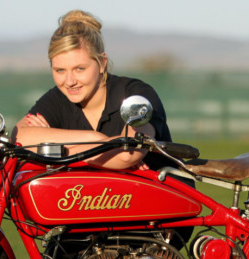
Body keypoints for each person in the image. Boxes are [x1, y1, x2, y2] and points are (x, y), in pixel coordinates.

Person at [14, 9, 172, 171]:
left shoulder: (137, 93)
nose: (69, 82)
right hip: (98, 195)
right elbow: (20, 138)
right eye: (60, 70)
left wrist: (53, 150)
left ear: (102, 63)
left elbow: (127, 155)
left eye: (80, 69)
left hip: (161, 194)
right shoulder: (57, 99)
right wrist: (95, 139)